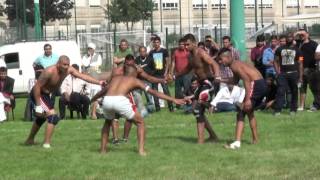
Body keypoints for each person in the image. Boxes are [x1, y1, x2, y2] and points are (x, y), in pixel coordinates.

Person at [91, 65, 185, 155]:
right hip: (120, 100)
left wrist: (92, 100)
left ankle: (103, 150)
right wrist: (173, 99)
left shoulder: (115, 78)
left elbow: (102, 91)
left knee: (107, 123)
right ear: (134, 73)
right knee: (140, 123)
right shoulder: (134, 80)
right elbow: (154, 92)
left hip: (107, 100)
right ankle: (141, 151)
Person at [24, 55, 105, 148]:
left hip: (46, 95)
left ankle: (30, 140)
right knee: (53, 116)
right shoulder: (49, 71)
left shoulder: (69, 70)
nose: (66, 67)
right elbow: (37, 86)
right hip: (37, 93)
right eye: (64, 65)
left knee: (42, 118)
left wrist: (99, 82)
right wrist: (38, 104)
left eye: (68, 65)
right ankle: (46, 144)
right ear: (58, 63)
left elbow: (83, 77)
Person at [218, 48, 267, 149]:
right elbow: (234, 81)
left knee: (241, 111)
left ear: (228, 57)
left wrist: (247, 99)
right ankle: (255, 139)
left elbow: (247, 80)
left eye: (221, 59)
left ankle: (237, 142)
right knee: (249, 112)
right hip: (261, 84)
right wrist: (220, 80)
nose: (220, 62)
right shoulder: (235, 65)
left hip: (255, 84)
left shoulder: (235, 66)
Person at [181, 33, 221, 144]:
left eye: (187, 44)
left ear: (194, 43)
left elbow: (214, 64)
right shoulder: (190, 55)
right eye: (184, 45)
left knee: (197, 109)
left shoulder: (201, 52)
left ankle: (200, 141)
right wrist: (175, 75)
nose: (185, 47)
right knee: (198, 111)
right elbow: (188, 68)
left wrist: (217, 76)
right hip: (201, 84)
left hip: (209, 82)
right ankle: (213, 136)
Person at [273, 34, 303, 115]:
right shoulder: (279, 49)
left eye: (291, 37)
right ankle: (278, 110)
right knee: (280, 91)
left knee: (294, 91)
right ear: (285, 38)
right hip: (282, 74)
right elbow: (275, 61)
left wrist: (300, 77)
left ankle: (293, 109)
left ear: (293, 39)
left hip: (294, 73)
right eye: (288, 37)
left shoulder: (298, 50)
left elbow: (300, 64)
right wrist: (277, 72)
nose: (289, 38)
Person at [294, 30, 318, 111]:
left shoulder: (314, 44)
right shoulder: (298, 43)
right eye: (300, 34)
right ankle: (301, 106)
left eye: (303, 34)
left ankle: (317, 104)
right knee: (302, 88)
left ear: (308, 34)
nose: (301, 35)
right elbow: (292, 37)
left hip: (311, 70)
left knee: (315, 89)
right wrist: (298, 33)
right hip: (300, 70)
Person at [149, 36, 174, 112]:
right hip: (154, 75)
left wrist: (166, 72)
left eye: (157, 42)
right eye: (154, 42)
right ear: (153, 43)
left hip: (162, 75)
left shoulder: (164, 51)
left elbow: (168, 62)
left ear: (160, 43)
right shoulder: (151, 52)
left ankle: (171, 107)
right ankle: (157, 108)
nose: (156, 44)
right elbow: (150, 64)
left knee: (166, 91)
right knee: (155, 92)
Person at [170, 38, 192, 109]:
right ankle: (178, 105)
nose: (181, 45)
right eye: (180, 44)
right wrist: (171, 72)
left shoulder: (188, 52)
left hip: (186, 74)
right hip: (177, 74)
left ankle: (189, 103)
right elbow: (173, 62)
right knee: (177, 90)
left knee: (187, 89)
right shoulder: (175, 52)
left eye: (183, 44)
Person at [135, 46, 156, 112]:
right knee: (137, 96)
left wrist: (148, 75)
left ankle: (150, 109)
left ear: (146, 52)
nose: (142, 53)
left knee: (149, 96)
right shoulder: (137, 59)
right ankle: (138, 109)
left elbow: (154, 69)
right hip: (139, 81)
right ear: (139, 52)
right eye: (141, 51)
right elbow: (134, 69)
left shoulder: (150, 59)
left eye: (144, 51)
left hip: (147, 81)